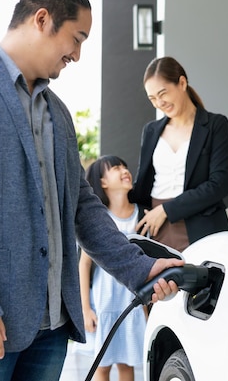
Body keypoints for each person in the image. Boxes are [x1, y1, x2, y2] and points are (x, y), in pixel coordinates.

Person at [0, 0, 182, 381]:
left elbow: (83, 209)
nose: (77, 54)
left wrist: (139, 269)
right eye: (77, 38)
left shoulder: (57, 113)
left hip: (50, 331)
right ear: (42, 19)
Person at [130, 56, 228, 252]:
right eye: (152, 98)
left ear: (182, 83)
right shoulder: (151, 131)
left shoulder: (215, 125)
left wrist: (167, 210)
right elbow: (143, 184)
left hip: (202, 225)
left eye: (163, 94)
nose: (159, 103)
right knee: (163, 282)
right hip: (157, 226)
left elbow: (219, 184)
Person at [78, 155, 148, 381]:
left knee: (127, 364)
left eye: (125, 165)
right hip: (104, 303)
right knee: (102, 365)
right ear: (103, 182)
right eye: (116, 168)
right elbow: (84, 265)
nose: (124, 170)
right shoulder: (100, 219)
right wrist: (86, 309)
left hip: (132, 304)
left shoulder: (143, 216)